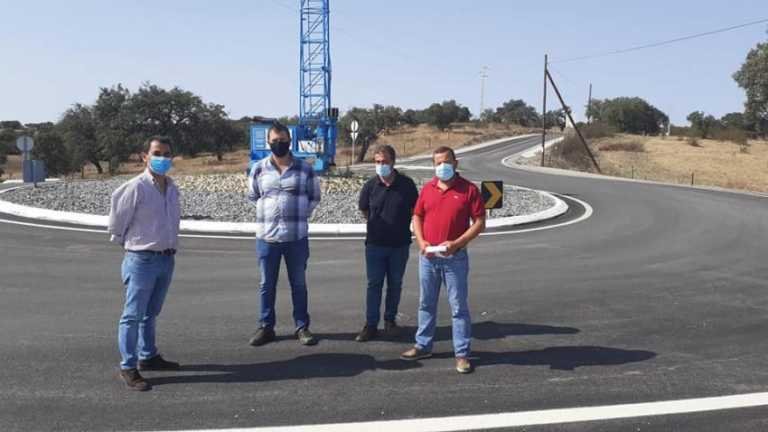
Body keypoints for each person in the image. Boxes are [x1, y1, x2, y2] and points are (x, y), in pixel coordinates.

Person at [400, 146, 486, 374]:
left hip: (455, 258)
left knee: (458, 307)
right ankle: (423, 345)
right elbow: (417, 215)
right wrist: (421, 241)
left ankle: (462, 354)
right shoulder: (428, 189)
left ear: (455, 163)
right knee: (426, 304)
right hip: (428, 258)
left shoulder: (469, 190)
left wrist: (457, 243)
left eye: (446, 162)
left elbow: (479, 222)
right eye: (437, 163)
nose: (442, 166)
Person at [108, 136, 181, 391]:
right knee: (132, 315)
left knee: (151, 312)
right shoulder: (135, 187)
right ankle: (128, 366)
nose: (162, 158)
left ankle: (148, 355)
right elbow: (117, 224)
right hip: (142, 259)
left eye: (167, 153)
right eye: (157, 153)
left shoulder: (172, 187)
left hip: (166, 258)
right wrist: (134, 249)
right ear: (145, 156)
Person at [247, 122, 321, 347]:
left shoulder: (305, 168)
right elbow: (253, 196)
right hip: (267, 238)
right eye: (275, 141)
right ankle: (266, 327)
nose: (279, 144)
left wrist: (300, 214)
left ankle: (302, 327)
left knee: (298, 284)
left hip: (296, 238)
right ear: (268, 142)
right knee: (266, 285)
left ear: (290, 141)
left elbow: (314, 196)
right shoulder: (258, 168)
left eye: (283, 140)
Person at [355, 144, 419, 342]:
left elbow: (415, 211)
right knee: (373, 285)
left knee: (395, 284)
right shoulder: (370, 186)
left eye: (384, 162)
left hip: (400, 245)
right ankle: (370, 325)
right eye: (377, 162)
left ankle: (390, 320)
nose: (381, 165)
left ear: (393, 162)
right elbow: (364, 210)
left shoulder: (407, 185)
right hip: (375, 245)